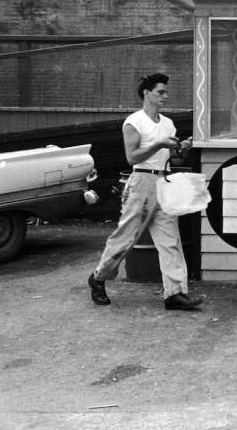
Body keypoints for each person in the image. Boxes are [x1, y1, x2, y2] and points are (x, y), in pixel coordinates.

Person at [87, 73, 203, 311]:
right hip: (140, 182)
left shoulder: (168, 124)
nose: (165, 96)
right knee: (125, 239)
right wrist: (159, 144)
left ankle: (175, 294)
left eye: (166, 92)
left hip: (163, 182)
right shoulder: (134, 122)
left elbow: (174, 158)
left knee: (170, 241)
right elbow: (132, 158)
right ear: (147, 93)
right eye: (161, 92)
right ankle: (98, 278)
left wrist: (183, 149)